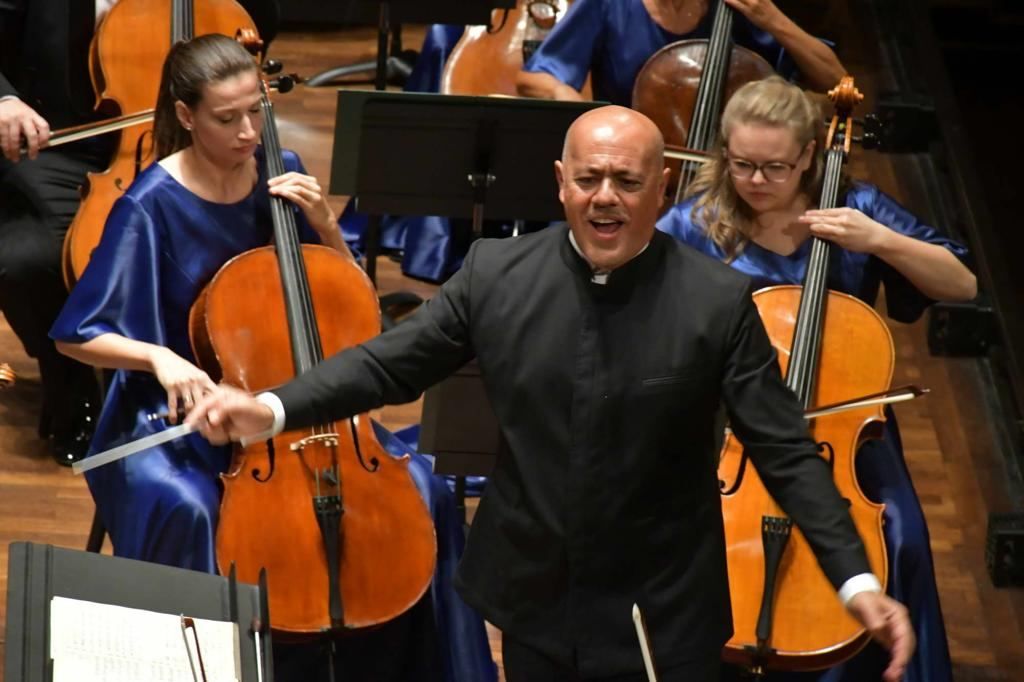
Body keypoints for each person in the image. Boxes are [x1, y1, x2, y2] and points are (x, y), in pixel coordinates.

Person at [187, 104, 915, 682]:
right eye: (590, 179)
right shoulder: (496, 273)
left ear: (661, 190)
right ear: (561, 180)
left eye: (628, 183)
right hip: (535, 598)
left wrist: (856, 581)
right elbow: (387, 364)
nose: (606, 199)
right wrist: (271, 407)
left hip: (659, 610)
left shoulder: (717, 303)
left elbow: (785, 452)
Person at [49, 34, 495, 682]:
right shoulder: (150, 204)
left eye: (254, 112)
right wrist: (159, 358)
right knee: (194, 509)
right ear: (185, 115)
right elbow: (74, 333)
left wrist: (327, 225)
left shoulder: (277, 166)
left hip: (285, 393)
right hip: (180, 413)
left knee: (425, 491)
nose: (247, 133)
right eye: (227, 118)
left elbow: (354, 304)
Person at [656, 76, 976, 682]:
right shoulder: (695, 221)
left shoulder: (858, 208)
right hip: (726, 434)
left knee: (898, 538)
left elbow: (962, 283)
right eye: (742, 163)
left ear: (809, 154)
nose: (754, 181)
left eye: (774, 167)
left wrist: (881, 241)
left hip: (843, 431)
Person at [0, 0, 279, 465]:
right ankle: (74, 390)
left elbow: (255, 26)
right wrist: (4, 100)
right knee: (25, 260)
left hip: (191, 141)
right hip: (55, 140)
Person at [515, 0, 846, 105]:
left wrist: (771, 18)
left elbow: (835, 81)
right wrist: (574, 103)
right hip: (630, 170)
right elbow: (534, 79)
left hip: (727, 180)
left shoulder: (738, 10)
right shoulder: (611, 3)